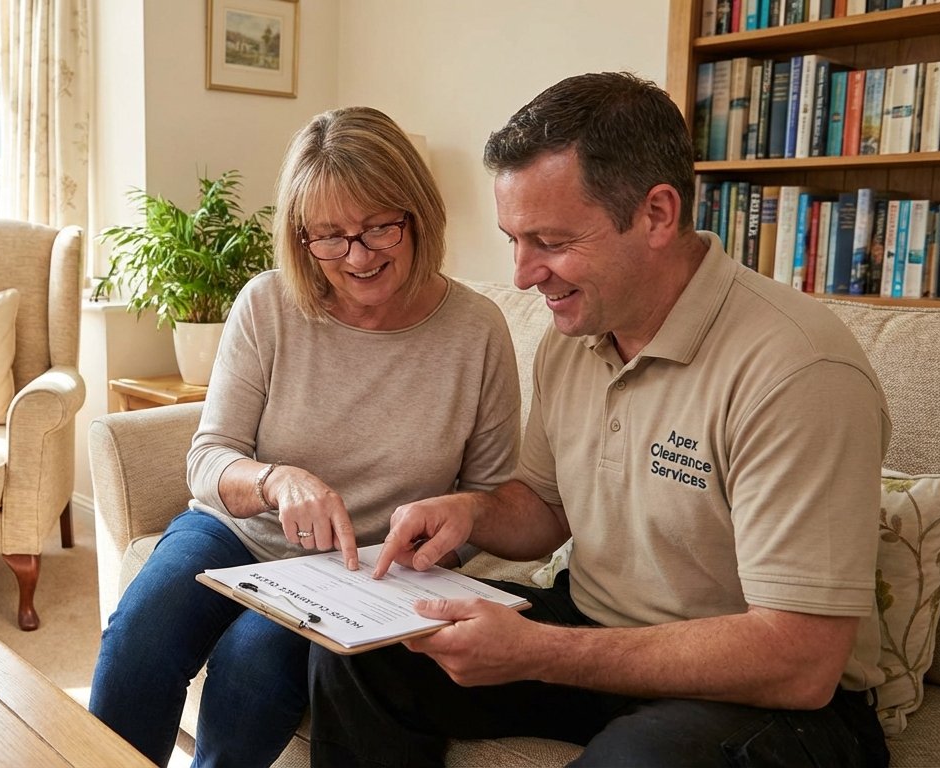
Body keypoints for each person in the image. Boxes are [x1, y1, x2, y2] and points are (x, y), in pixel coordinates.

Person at [307, 72, 892, 767]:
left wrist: (547, 652)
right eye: (513, 240)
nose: (523, 275)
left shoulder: (797, 369)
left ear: (656, 214)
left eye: (549, 241)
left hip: (775, 698)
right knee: (364, 656)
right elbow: (545, 507)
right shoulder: (574, 339)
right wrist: (471, 512)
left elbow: (800, 659)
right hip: (598, 628)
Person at [89, 106, 524, 767]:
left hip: (366, 568)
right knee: (138, 639)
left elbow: (488, 500)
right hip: (236, 531)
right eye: (329, 236)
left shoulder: (476, 329)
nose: (356, 257)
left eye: (379, 228)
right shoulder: (268, 305)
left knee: (251, 666)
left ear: (418, 213)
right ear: (301, 238)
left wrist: (429, 550)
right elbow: (209, 461)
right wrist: (274, 479)